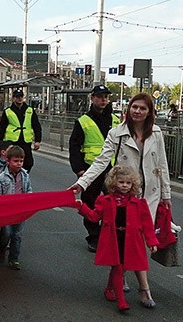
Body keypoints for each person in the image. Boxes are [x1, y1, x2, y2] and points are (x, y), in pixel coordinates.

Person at [70, 92, 171, 308]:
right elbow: (101, 161)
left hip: (150, 194)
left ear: (149, 112)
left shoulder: (157, 133)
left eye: (143, 108)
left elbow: (162, 165)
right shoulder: (117, 133)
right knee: (130, 239)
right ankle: (142, 287)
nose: (138, 111)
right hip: (126, 194)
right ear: (128, 109)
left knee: (139, 240)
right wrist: (83, 183)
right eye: (135, 107)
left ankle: (127, 279)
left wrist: (167, 195)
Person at [76, 165, 158, 312]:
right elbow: (94, 217)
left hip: (131, 241)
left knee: (121, 266)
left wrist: (151, 242)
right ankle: (121, 301)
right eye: (121, 182)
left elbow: (147, 225)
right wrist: (81, 207)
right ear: (114, 183)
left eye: (128, 183)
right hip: (113, 239)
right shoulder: (105, 200)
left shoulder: (139, 203)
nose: (125, 186)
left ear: (133, 184)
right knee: (118, 267)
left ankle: (109, 288)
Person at [69, 85, 120, 252]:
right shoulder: (83, 121)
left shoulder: (115, 120)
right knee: (90, 203)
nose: (103, 99)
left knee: (114, 204)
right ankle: (93, 236)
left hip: (113, 170)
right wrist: (79, 170)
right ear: (92, 98)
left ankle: (110, 234)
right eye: (100, 96)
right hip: (90, 169)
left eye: (106, 96)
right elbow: (74, 146)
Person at [0, 145, 32, 270]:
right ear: (8, 161)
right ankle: (1, 250)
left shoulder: (25, 176)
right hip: (7, 211)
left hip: (20, 211)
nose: (19, 164)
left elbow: (29, 191)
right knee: (7, 233)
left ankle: (13, 259)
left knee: (17, 235)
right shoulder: (1, 178)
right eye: (16, 161)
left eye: (21, 161)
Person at [0, 88, 42, 172]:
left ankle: (22, 178)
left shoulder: (30, 110)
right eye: (17, 97)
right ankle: (13, 178)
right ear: (13, 98)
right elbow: (2, 127)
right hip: (12, 141)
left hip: (26, 141)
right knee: (12, 162)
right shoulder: (8, 111)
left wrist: (37, 141)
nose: (19, 98)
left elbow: (36, 126)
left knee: (28, 163)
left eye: (21, 96)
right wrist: (0, 143)